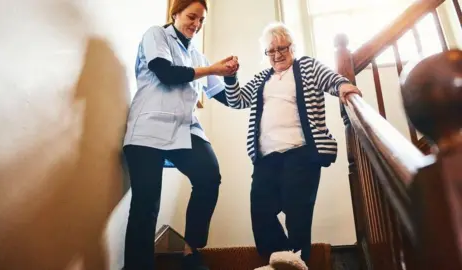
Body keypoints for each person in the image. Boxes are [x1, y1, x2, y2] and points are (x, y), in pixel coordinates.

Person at [223, 23, 362, 270]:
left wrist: (343, 87)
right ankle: (286, 260)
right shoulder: (262, 78)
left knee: (297, 212)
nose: (277, 54)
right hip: (267, 156)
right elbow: (237, 100)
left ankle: (296, 259)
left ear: (292, 47)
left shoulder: (306, 66)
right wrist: (230, 77)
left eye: (282, 48)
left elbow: (329, 78)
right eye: (271, 51)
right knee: (261, 210)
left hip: (301, 152)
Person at [122, 0, 237, 269]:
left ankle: (191, 248)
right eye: (191, 17)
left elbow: (228, 98)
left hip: (184, 128)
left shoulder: (197, 55)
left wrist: (231, 75)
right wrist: (213, 69)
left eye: (201, 21)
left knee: (209, 175)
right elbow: (165, 72)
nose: (196, 25)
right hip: (148, 130)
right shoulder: (156, 35)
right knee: (146, 204)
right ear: (176, 13)